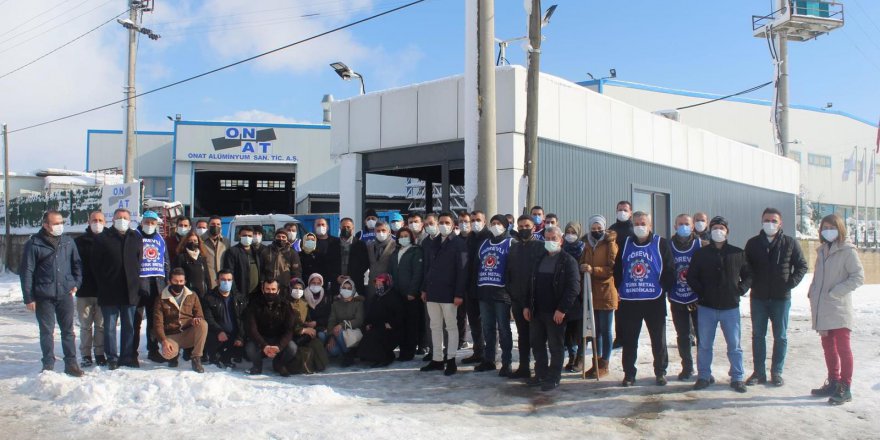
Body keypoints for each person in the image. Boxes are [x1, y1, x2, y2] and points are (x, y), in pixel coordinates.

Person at [744, 207, 808, 387]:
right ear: (761, 221)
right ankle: (758, 372)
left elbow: (802, 266)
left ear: (781, 223)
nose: (770, 224)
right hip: (759, 298)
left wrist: (790, 283)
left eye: (774, 221)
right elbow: (746, 267)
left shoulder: (790, 243)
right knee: (758, 336)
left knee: (780, 336)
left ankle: (777, 372)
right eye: (767, 220)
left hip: (781, 298)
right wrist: (750, 283)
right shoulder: (753, 243)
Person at [688, 216, 752, 393]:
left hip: (730, 308)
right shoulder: (701, 254)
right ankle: (703, 376)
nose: (718, 231)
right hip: (706, 307)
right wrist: (702, 292)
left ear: (727, 231)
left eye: (721, 228)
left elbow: (748, 275)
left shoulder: (737, 253)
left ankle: (738, 377)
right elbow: (691, 276)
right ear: (710, 230)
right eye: (715, 228)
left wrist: (740, 289)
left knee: (734, 345)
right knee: (705, 345)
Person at [19, 210, 84, 377]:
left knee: (68, 331)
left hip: (65, 294)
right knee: (46, 332)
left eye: (61, 222)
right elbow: (27, 271)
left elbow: (77, 265)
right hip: (43, 295)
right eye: (55, 223)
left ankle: (71, 363)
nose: (59, 226)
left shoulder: (68, 242)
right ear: (45, 225)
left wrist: (75, 283)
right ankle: (48, 364)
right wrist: (29, 297)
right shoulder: (34, 244)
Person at [808, 214, 864, 405]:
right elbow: (818, 277)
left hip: (838, 307)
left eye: (832, 226)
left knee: (843, 348)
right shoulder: (822, 250)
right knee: (828, 348)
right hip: (822, 307)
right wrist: (812, 292)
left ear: (839, 228)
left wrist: (835, 292)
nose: (828, 230)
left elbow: (858, 276)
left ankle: (845, 387)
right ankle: (833, 381)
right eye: (824, 227)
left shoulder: (848, 251)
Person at [614, 211, 674, 387]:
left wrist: (663, 288)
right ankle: (629, 374)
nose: (640, 226)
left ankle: (660, 372)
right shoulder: (625, 243)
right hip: (630, 300)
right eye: (637, 223)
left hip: (653, 300)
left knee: (658, 339)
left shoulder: (660, 243)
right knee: (629, 340)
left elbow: (670, 268)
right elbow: (617, 268)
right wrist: (620, 287)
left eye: (643, 223)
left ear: (650, 225)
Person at [523, 226, 580, 391]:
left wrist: (562, 309)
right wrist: (527, 305)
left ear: (560, 240)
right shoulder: (539, 259)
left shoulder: (568, 261)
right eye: (547, 239)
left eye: (553, 238)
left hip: (555, 313)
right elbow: (530, 285)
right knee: (537, 344)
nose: (550, 242)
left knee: (556, 346)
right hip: (537, 311)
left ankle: (553, 376)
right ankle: (540, 373)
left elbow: (573, 288)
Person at [92, 208, 143, 369]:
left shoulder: (135, 237)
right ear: (113, 219)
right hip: (110, 291)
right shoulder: (103, 238)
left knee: (129, 326)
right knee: (109, 327)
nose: (122, 220)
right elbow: (95, 266)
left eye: (125, 218)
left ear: (130, 220)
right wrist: (104, 283)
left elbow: (139, 261)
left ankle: (127, 357)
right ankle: (112, 357)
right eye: (119, 217)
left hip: (130, 291)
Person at [420, 212, 468, 376]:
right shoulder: (433, 243)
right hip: (433, 292)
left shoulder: (459, 244)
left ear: (453, 225)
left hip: (450, 294)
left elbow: (463, 271)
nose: (443, 225)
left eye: (446, 222)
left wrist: (459, 293)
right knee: (435, 326)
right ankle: (437, 359)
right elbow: (428, 268)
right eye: (441, 222)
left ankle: (451, 359)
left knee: (451, 327)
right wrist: (425, 289)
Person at [505, 215, 545, 379]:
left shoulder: (540, 247)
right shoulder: (514, 247)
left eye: (526, 226)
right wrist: (511, 292)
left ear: (533, 227)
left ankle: (540, 369)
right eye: (520, 226)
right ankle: (523, 366)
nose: (523, 229)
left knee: (537, 337)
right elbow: (509, 271)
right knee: (522, 336)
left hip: (535, 300)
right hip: (517, 299)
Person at [473, 215, 514, 376]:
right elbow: (478, 267)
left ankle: (507, 362)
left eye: (499, 224)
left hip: (502, 294)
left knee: (504, 330)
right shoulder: (484, 244)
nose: (496, 226)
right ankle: (489, 359)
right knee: (488, 328)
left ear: (505, 226)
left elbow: (513, 269)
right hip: (485, 292)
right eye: (493, 223)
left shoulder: (511, 243)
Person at [580, 215, 618, 379]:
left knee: (606, 329)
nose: (596, 231)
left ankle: (605, 362)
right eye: (593, 229)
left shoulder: (610, 244)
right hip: (591, 292)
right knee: (595, 330)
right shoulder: (587, 244)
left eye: (599, 228)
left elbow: (612, 268)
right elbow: (582, 261)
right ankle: (596, 360)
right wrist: (582, 267)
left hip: (606, 291)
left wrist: (593, 270)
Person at [668, 214, 704, 381]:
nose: (683, 227)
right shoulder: (667, 245)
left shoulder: (701, 245)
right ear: (675, 226)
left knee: (702, 335)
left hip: (697, 298)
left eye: (686, 224)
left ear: (692, 226)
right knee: (682, 335)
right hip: (677, 297)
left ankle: (704, 368)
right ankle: (687, 367)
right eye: (680, 224)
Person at [153, 268, 208, 373]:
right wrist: (164, 341)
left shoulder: (192, 295)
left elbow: (200, 315)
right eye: (176, 281)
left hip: (188, 333)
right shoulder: (161, 299)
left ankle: (196, 358)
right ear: (169, 282)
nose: (179, 284)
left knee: (203, 324)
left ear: (185, 282)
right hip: (171, 335)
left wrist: (196, 319)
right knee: (168, 355)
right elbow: (157, 324)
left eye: (181, 281)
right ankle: (174, 355)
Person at [134, 210, 170, 364]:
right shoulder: (134, 236)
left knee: (154, 321)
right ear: (142, 222)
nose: (149, 225)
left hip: (156, 285)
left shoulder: (160, 239)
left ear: (157, 224)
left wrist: (167, 280)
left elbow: (166, 261)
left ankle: (153, 349)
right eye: (147, 222)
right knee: (135, 320)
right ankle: (131, 350)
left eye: (153, 223)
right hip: (138, 285)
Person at [245, 279, 298, 376]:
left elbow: (289, 329)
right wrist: (264, 345)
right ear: (263, 289)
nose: (270, 292)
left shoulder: (285, 305)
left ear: (278, 290)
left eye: (273, 289)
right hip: (262, 338)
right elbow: (252, 329)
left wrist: (279, 346)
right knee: (250, 347)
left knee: (292, 347)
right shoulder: (254, 304)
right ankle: (257, 366)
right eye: (268, 289)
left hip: (278, 338)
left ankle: (279, 364)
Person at [74, 211, 106, 368]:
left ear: (105, 222)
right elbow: (74, 265)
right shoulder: (79, 242)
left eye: (100, 220)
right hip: (84, 292)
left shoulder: (109, 239)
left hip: (104, 292)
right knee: (86, 326)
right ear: (89, 221)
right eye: (94, 220)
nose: (97, 223)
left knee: (101, 325)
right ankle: (86, 355)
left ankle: (100, 353)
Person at [388, 227, 424, 361]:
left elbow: (417, 273)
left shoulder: (416, 251)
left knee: (411, 324)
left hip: (410, 295)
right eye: (401, 236)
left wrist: (412, 291)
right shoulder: (395, 252)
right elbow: (390, 272)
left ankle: (409, 351)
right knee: (400, 323)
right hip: (397, 294)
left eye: (406, 235)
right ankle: (402, 349)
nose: (403, 238)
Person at [461, 210, 490, 363]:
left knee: (488, 322)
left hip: (485, 286)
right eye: (472, 220)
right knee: (474, 322)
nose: (474, 223)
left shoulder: (489, 237)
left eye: (478, 220)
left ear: (484, 221)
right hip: (470, 286)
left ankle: (489, 354)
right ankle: (478, 351)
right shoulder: (469, 238)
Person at [358, 273, 405, 367]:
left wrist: (391, 324)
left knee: (379, 335)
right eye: (377, 284)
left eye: (381, 284)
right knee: (369, 334)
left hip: (390, 329)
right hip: (377, 326)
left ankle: (385, 357)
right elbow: (370, 313)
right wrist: (368, 323)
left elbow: (400, 315)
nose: (378, 286)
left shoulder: (394, 296)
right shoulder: (376, 297)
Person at [202, 269, 245, 368]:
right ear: (217, 281)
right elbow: (208, 318)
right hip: (217, 334)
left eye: (229, 280)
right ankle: (214, 356)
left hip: (235, 335)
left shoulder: (239, 298)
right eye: (223, 279)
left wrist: (240, 336)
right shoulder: (209, 298)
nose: (226, 282)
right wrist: (219, 331)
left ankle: (228, 357)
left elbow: (243, 319)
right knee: (210, 336)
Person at [287, 278, 330, 374]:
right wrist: (302, 330)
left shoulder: (304, 303)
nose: (298, 291)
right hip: (289, 335)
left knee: (316, 343)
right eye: (295, 288)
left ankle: (319, 365)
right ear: (290, 289)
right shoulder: (285, 303)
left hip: (302, 334)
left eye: (300, 288)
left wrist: (311, 328)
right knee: (296, 349)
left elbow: (307, 319)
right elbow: (286, 324)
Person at [609, 200, 634, 350]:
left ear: (630, 212)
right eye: (620, 209)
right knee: (618, 307)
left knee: (630, 308)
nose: (622, 212)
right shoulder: (612, 230)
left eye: (625, 210)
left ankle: (630, 336)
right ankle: (619, 337)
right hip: (616, 272)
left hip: (632, 272)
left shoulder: (634, 230)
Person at [561, 220, 585, 372]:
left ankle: (580, 357)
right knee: (568, 327)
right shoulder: (562, 248)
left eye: (573, 233)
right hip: (565, 292)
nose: (570, 236)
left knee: (579, 327)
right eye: (568, 232)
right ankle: (572, 355)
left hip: (581, 291)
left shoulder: (584, 249)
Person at [326, 277, 365, 366]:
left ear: (353, 290)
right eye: (344, 288)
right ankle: (345, 351)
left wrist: (342, 325)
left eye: (349, 288)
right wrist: (331, 336)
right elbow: (331, 320)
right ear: (340, 289)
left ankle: (348, 355)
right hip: (338, 333)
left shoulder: (358, 303)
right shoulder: (336, 304)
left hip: (353, 332)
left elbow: (359, 320)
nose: (346, 290)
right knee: (333, 350)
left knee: (339, 331)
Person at [222, 226, 262, 299]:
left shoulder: (255, 251)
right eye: (244, 235)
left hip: (256, 293)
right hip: (241, 294)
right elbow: (229, 273)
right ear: (239, 235)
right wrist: (235, 292)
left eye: (249, 236)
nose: (247, 237)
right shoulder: (232, 251)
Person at [260, 229, 302, 294]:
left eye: (283, 237)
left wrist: (295, 285)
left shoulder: (292, 252)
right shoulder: (266, 251)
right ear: (275, 238)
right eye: (278, 236)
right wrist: (262, 282)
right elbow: (261, 269)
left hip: (286, 287)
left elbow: (296, 271)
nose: (281, 239)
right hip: (270, 288)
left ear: (287, 239)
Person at [173, 231, 212, 300]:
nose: (192, 242)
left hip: (202, 294)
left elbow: (207, 276)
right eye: (190, 240)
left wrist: (210, 290)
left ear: (199, 242)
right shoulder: (181, 257)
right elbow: (177, 276)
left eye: (195, 240)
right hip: (187, 294)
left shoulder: (202, 258)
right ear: (185, 242)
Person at [337, 217, 369, 296]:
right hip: (337, 284)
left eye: (348, 227)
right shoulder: (333, 244)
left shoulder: (360, 244)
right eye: (344, 227)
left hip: (356, 283)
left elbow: (365, 264)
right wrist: (337, 278)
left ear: (353, 228)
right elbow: (329, 263)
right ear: (340, 228)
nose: (346, 229)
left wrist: (352, 277)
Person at [366, 221, 397, 297]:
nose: (381, 233)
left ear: (389, 232)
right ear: (374, 232)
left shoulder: (396, 245)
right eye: (378, 231)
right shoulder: (369, 245)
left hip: (389, 285)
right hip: (373, 285)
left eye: (383, 230)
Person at [313, 217, 342, 291]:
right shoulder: (310, 241)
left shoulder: (336, 241)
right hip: (315, 279)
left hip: (333, 278)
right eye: (318, 225)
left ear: (327, 227)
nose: (321, 227)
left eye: (323, 225)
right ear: (314, 227)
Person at [303, 273, 334, 342]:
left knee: (321, 336)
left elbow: (328, 316)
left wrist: (316, 323)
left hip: (320, 326)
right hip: (305, 327)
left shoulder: (325, 297)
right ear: (309, 283)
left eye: (318, 283)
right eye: (313, 283)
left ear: (321, 284)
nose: (316, 285)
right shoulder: (302, 295)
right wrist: (305, 323)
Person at [202, 215, 230, 290]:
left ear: (221, 226)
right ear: (208, 226)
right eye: (213, 224)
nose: (215, 226)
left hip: (223, 281)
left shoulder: (226, 242)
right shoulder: (201, 241)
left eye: (218, 224)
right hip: (206, 281)